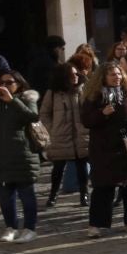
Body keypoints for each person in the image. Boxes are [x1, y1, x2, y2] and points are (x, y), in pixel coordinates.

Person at [80, 63, 127, 236]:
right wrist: (102, 113)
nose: (117, 77)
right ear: (103, 77)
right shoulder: (94, 97)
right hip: (105, 149)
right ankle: (96, 225)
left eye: (119, 74)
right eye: (112, 75)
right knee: (103, 188)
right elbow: (86, 121)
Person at [0, 76, 40, 242]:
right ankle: (10, 227)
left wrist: (12, 101)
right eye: (1, 83)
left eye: (9, 83)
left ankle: (30, 228)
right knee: (5, 196)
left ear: (18, 85)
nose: (4, 86)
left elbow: (32, 116)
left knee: (27, 195)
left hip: (22, 156)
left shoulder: (27, 98)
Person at [39, 64, 90, 209]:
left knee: (82, 168)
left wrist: (86, 126)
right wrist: (52, 129)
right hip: (60, 136)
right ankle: (53, 195)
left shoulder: (83, 90)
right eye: (72, 74)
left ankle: (84, 194)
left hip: (80, 135)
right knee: (58, 169)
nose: (75, 77)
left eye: (76, 74)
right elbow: (44, 113)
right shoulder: (53, 93)